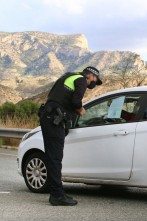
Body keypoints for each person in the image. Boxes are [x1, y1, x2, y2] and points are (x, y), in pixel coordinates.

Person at [39, 66, 102, 206]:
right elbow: (75, 102)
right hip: (53, 120)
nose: (94, 83)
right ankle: (57, 195)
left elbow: (55, 98)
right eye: (95, 80)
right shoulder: (81, 80)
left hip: (48, 117)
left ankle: (56, 192)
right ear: (91, 76)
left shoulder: (68, 76)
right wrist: (81, 110)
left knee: (52, 157)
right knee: (55, 158)